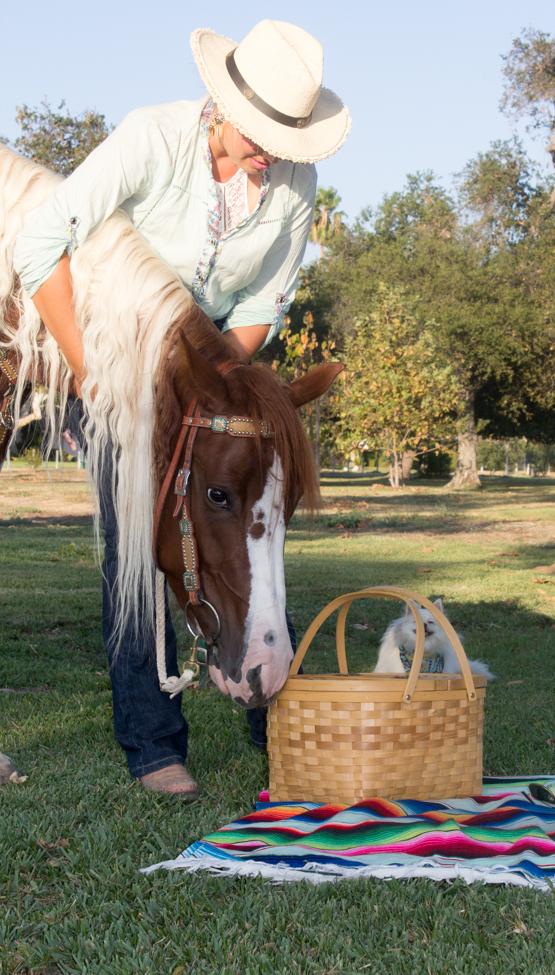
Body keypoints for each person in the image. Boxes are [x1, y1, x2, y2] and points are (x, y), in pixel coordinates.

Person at [12, 20, 350, 799]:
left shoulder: (294, 183)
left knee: (251, 523)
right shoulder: (151, 138)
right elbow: (39, 245)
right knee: (133, 551)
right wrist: (93, 375)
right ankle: (153, 741)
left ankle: (274, 718)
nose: (275, 151)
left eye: (289, 138)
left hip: (215, 361)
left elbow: (266, 297)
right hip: (116, 361)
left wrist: (221, 385)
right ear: (223, 105)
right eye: (264, 133)